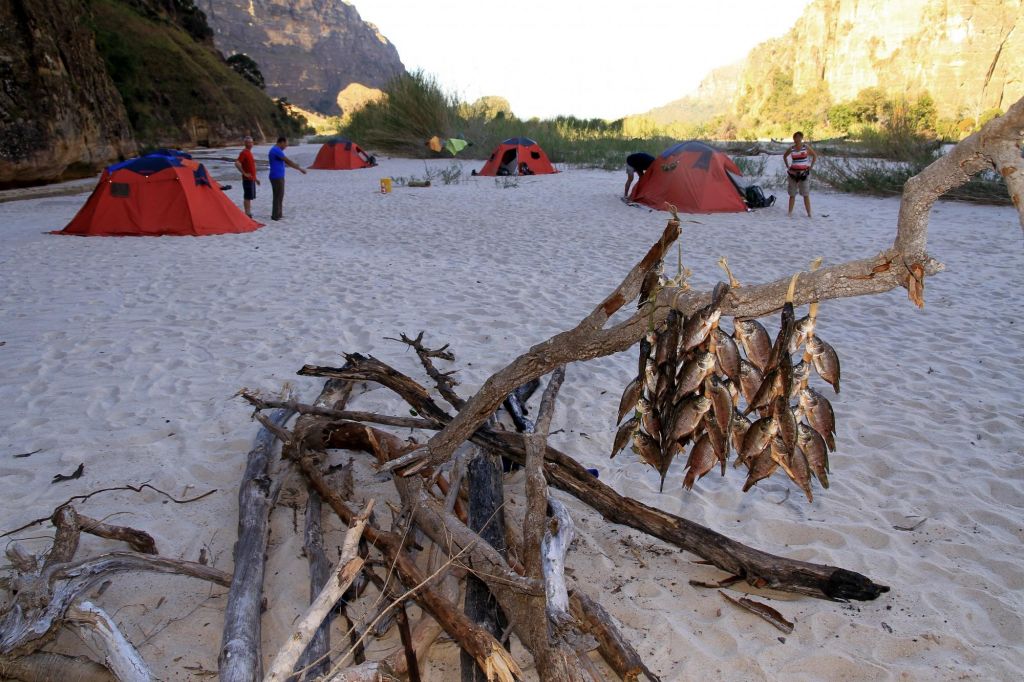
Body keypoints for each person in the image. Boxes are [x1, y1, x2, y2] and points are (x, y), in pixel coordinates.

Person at [268, 136, 307, 221]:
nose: (286, 146)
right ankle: (275, 216)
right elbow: (287, 161)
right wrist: (300, 169)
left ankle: (278, 214)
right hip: (276, 176)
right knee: (278, 196)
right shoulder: (276, 150)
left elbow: (286, 162)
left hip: (278, 176)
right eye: (285, 144)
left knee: (279, 195)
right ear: (281, 142)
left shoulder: (276, 150)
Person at [783, 131, 817, 218]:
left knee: (805, 194)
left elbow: (814, 156)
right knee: (792, 194)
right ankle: (790, 213)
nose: (796, 139)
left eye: (798, 137)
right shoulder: (792, 148)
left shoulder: (805, 147)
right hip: (793, 174)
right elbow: (784, 156)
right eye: (795, 137)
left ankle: (809, 213)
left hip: (804, 173)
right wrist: (788, 166)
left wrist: (811, 167)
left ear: (801, 138)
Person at [233, 136, 259, 218]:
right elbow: (237, 163)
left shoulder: (249, 152)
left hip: (251, 179)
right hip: (247, 179)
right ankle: (247, 213)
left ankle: (248, 212)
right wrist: (244, 173)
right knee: (247, 196)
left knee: (250, 196)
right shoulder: (244, 152)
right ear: (245, 143)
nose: (250, 144)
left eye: (251, 142)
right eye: (248, 142)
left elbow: (251, 168)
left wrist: (256, 179)